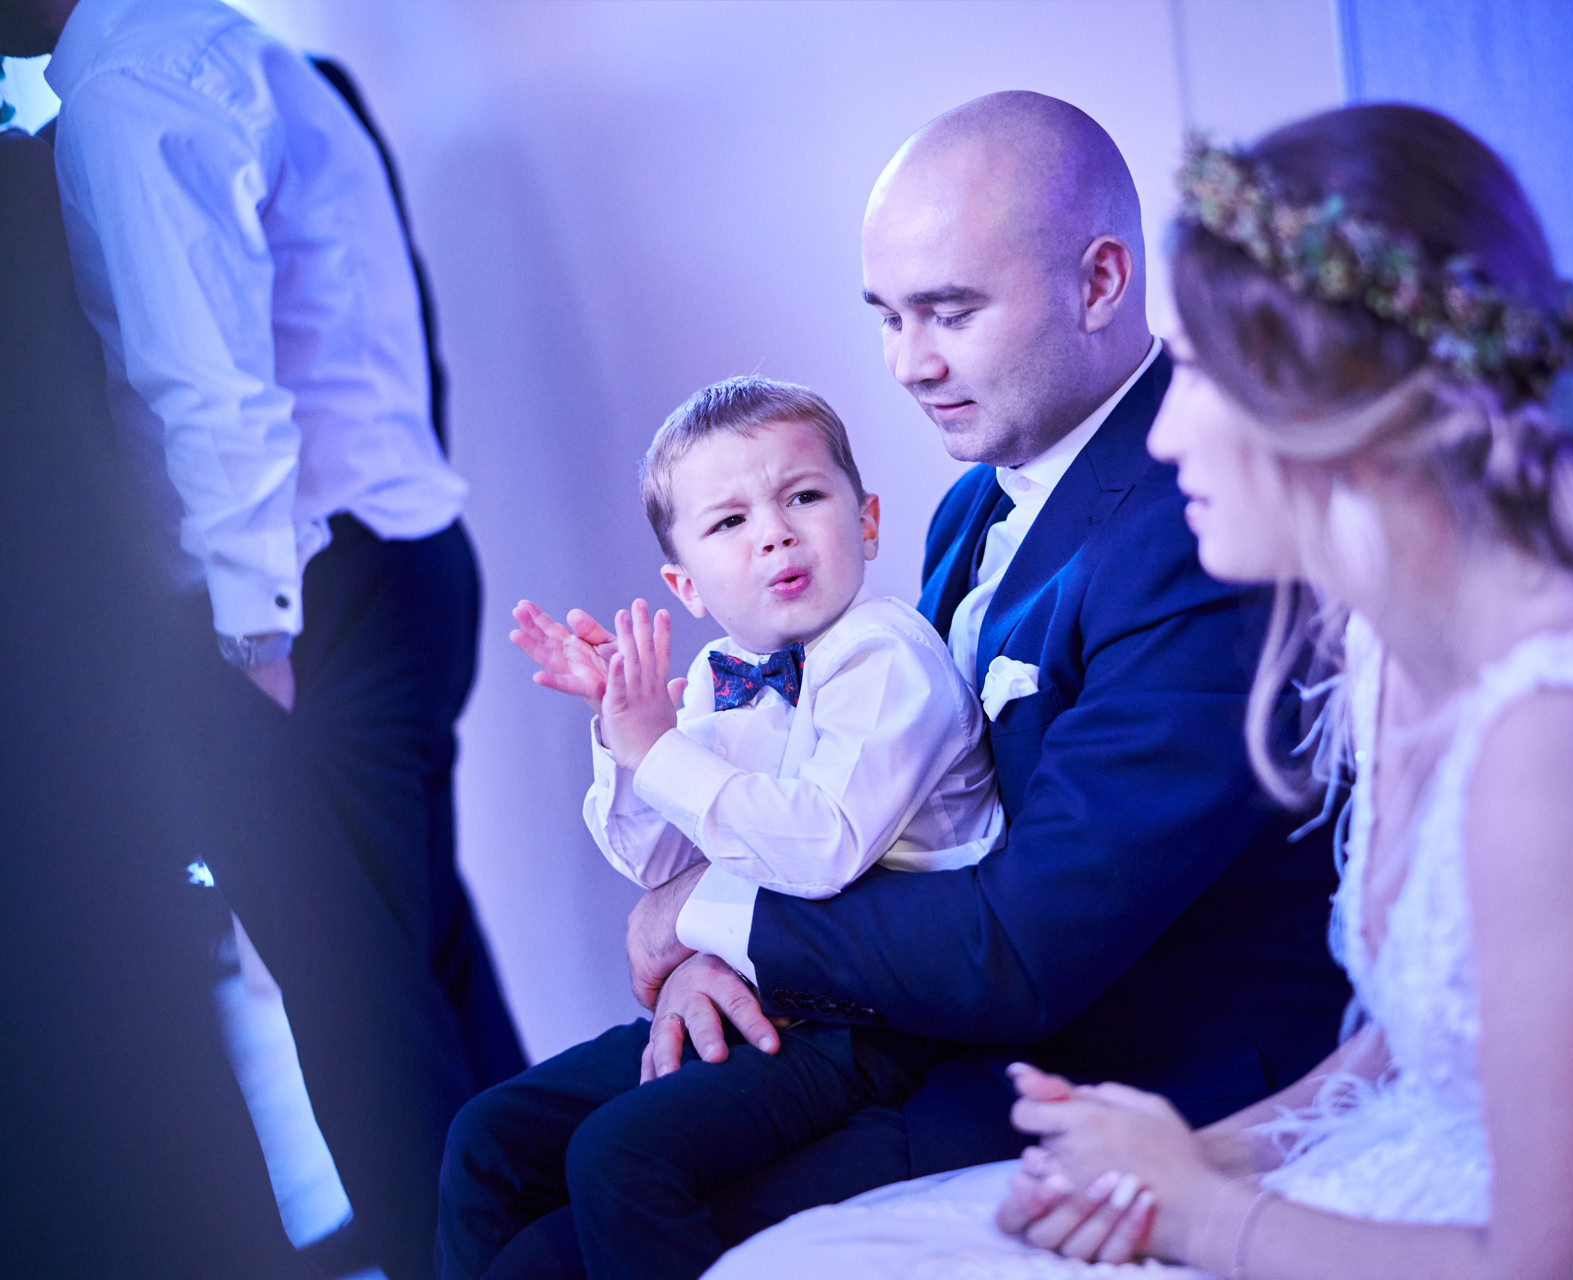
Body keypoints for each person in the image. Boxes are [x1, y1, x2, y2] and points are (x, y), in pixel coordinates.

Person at [708, 103, 1573, 1279]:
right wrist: (1207, 1154)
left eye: (1204, 376)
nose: (1166, 435)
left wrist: (1204, 1212)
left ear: (1347, 413)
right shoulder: (1391, 650)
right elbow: (1431, 1037)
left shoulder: (1568, 747)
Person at [457, 91, 1348, 1275]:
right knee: (493, 1157)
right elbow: (886, 796)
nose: (909, 365)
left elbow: (1029, 944)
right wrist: (723, 949)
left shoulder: (1198, 527)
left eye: (951, 312)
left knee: (564, 1242)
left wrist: (711, 913)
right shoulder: (974, 503)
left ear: (1099, 281)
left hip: (1127, 1055)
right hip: (936, 1011)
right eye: (887, 316)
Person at [9, 0, 529, 1275]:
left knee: (360, 1013)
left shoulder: (130, 88)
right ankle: (536, 1246)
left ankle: (461, 1259)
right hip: (398, 560)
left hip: (301, 598)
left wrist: (249, 636)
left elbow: (205, 387)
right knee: (417, 963)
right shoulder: (238, 43)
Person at [438, 376, 1005, 1280]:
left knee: (620, 1155)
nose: (774, 533)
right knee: (486, 1135)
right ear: (686, 584)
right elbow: (660, 861)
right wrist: (624, 733)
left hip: (879, 1018)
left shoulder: (888, 655)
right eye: (730, 521)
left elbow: (820, 846)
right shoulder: (718, 673)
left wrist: (662, 752)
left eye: (803, 497)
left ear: (866, 521)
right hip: (766, 990)